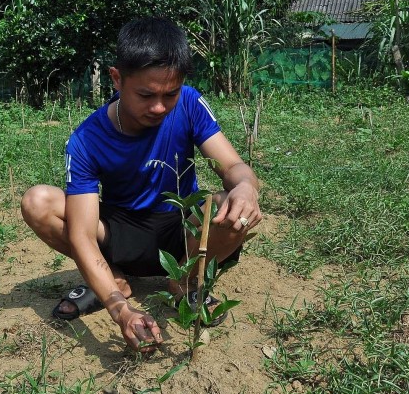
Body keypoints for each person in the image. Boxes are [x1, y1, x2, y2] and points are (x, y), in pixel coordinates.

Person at [21, 17, 261, 353]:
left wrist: (246, 187)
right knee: (38, 201)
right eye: (146, 95)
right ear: (117, 79)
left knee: (229, 204)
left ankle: (185, 281)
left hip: (182, 231)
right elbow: (82, 234)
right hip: (120, 234)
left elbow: (233, 166)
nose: (160, 107)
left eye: (170, 93)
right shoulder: (87, 139)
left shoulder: (190, 103)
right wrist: (119, 309)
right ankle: (114, 279)